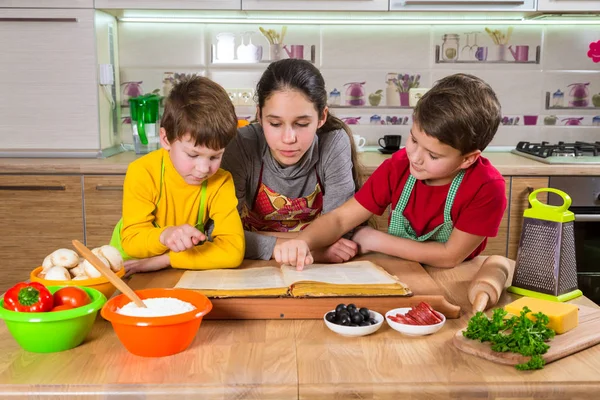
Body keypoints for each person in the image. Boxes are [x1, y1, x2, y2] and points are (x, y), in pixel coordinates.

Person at [273, 73, 507, 270]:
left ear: (468, 159)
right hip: (401, 268)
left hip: (454, 276)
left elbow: (449, 256)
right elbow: (340, 218)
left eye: (433, 155)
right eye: (414, 140)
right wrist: (304, 241)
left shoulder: (487, 187)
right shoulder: (398, 166)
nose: (415, 157)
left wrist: (373, 239)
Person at [221, 59, 362, 263]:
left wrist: (262, 241)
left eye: (302, 123)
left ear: (322, 117)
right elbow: (221, 233)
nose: (288, 138)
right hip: (251, 264)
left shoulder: (333, 142)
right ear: (259, 116)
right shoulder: (242, 145)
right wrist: (306, 248)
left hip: (311, 268)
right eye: (275, 123)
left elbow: (342, 227)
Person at [110, 75, 245, 275]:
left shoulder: (221, 181)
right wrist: (165, 236)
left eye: (215, 157)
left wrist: (166, 260)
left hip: (173, 269)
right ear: (166, 139)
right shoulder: (143, 172)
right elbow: (131, 241)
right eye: (193, 154)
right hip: (129, 268)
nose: (203, 168)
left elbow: (233, 251)